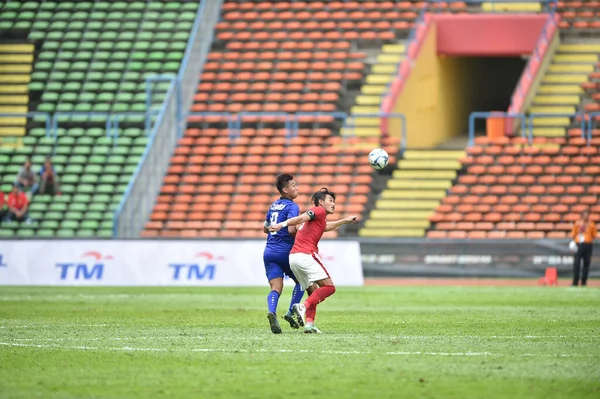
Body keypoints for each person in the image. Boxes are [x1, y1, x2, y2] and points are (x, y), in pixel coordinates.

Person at [269, 187, 357, 333]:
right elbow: (301, 218)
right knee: (329, 287)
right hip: (305, 255)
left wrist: (344, 221)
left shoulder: (319, 218)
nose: (334, 204)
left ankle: (309, 324)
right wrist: (282, 224)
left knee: (313, 292)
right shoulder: (319, 211)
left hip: (294, 258)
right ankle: (301, 307)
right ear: (321, 202)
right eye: (331, 201)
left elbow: (326, 227)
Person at [263, 174, 308, 334]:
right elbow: (290, 229)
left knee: (275, 288)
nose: (297, 188)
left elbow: (265, 228)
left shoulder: (273, 205)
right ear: (285, 189)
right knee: (303, 281)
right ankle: (291, 311)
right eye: (294, 185)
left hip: (269, 251)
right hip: (285, 251)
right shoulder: (292, 206)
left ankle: (272, 312)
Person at [570, 210, 597, 287]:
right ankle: (575, 282)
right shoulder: (577, 223)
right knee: (576, 263)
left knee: (586, 263)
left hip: (588, 245)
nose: (586, 216)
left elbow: (594, 234)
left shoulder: (591, 224)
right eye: (584, 214)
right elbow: (573, 234)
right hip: (579, 245)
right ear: (581, 215)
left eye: (587, 214)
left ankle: (584, 282)